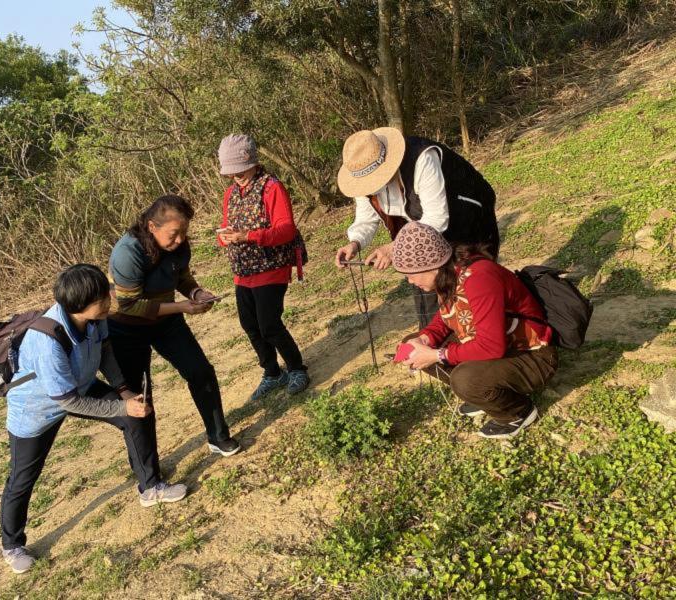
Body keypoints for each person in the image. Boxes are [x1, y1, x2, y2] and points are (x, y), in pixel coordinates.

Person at [0, 264, 187, 575]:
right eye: (104, 295)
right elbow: (69, 401)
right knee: (22, 478)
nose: (110, 296)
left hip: (80, 384)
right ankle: (11, 545)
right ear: (81, 305)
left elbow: (105, 352)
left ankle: (150, 487)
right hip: (37, 410)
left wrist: (124, 392)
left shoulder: (95, 319)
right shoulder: (47, 341)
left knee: (136, 415)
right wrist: (121, 407)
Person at [391, 222, 557, 439]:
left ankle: (517, 412)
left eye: (411, 274)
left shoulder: (479, 278)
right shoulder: (449, 274)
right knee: (414, 342)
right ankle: (486, 392)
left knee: (465, 379)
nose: (410, 281)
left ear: (430, 266)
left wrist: (436, 354)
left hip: (532, 355)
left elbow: (492, 346)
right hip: (503, 345)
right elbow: (444, 318)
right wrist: (425, 338)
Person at [107, 194, 240, 459]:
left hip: (165, 320)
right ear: (151, 227)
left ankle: (218, 435)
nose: (179, 239)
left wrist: (196, 294)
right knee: (139, 396)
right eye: (174, 233)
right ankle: (148, 471)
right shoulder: (127, 253)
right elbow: (129, 305)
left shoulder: (179, 246)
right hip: (127, 327)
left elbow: (182, 277)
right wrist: (181, 307)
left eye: (184, 232)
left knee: (200, 371)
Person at [334, 127, 500, 327]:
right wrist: (355, 242)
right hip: (420, 232)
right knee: (424, 283)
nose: (370, 188)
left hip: (466, 221)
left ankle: (479, 339)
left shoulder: (422, 159)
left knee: (470, 290)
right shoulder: (362, 179)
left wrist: (395, 248)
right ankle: (434, 341)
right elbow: (366, 217)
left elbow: (437, 217)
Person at [215, 133, 309, 401]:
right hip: (243, 271)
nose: (236, 177)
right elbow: (227, 229)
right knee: (250, 324)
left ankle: (296, 368)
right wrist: (225, 237)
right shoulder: (231, 194)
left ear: (253, 163)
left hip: (271, 266)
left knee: (269, 323)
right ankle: (271, 372)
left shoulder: (271, 188)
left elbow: (286, 230)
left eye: (240, 171)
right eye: (231, 173)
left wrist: (249, 236)